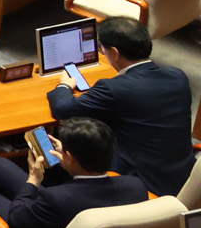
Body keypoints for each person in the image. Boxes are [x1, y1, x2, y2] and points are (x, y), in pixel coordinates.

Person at [47, 17, 195, 196]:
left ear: (114, 53)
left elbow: (63, 110)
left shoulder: (113, 89)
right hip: (185, 177)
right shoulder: (177, 76)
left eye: (103, 50)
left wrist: (64, 86)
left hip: (144, 184)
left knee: (76, 146)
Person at [0, 118, 147, 228]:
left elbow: (17, 221)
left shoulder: (56, 198)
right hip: (70, 218)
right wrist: (68, 160)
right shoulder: (135, 186)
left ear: (72, 158)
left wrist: (33, 180)